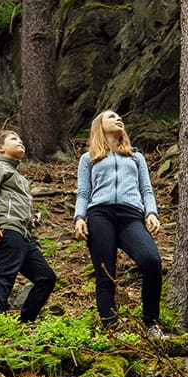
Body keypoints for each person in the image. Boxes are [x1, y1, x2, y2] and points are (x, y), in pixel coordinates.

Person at [73, 110, 165, 338]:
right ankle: (111, 329)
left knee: (151, 260)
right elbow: (84, 192)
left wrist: (151, 213)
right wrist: (79, 217)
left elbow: (146, 189)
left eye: (119, 117)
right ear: (99, 127)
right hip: (100, 215)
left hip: (131, 216)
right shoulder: (88, 159)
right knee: (106, 274)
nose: (118, 119)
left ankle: (151, 323)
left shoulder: (136, 157)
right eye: (111, 117)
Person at [0, 129, 57, 322]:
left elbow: (26, 212)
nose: (20, 142)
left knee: (46, 278)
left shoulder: (20, 178)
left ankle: (25, 322)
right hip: (6, 230)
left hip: (24, 237)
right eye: (14, 139)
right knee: (4, 277)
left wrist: (33, 239)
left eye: (21, 139)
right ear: (0, 148)